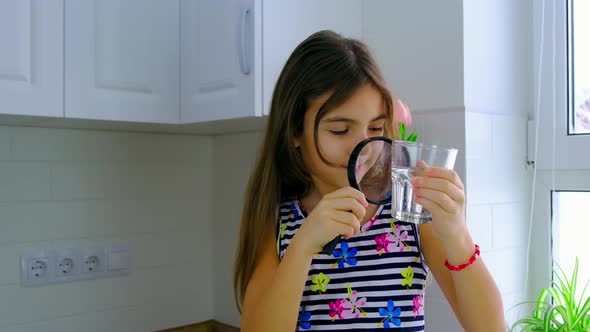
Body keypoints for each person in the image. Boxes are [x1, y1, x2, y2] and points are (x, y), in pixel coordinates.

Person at [233, 30, 504, 331]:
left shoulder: (408, 210)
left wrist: (457, 235)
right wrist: (304, 244)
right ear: (295, 131)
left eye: (375, 129)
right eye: (339, 131)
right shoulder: (280, 221)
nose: (362, 150)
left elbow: (489, 327)